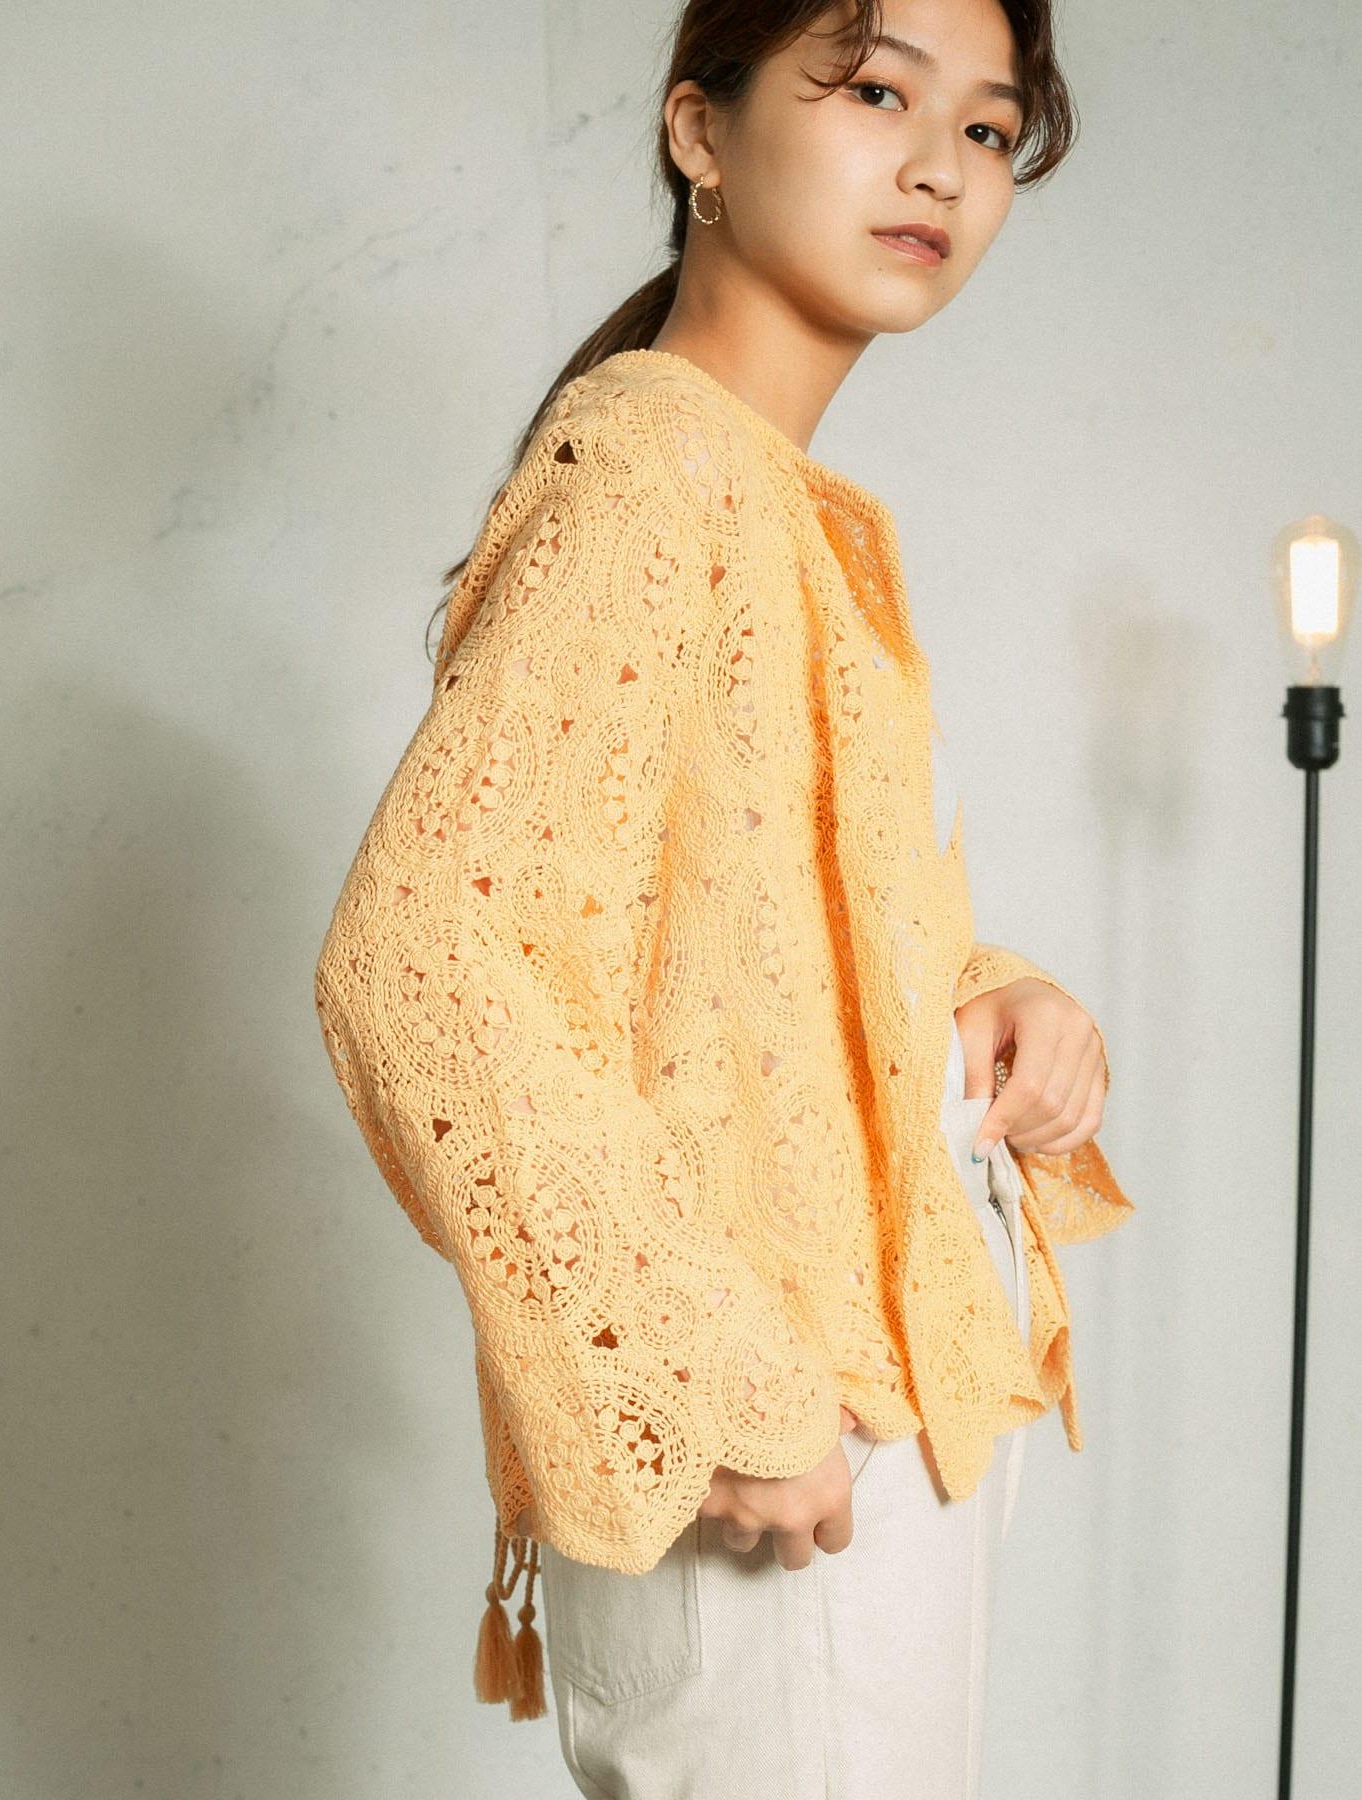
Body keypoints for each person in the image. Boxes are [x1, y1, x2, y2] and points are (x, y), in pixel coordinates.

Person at [313, 1, 1135, 1793]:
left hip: (871, 1399)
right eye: (876, 92)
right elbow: (421, 953)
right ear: (700, 131)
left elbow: (725, 934)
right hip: (787, 1426)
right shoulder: (655, 474)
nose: (939, 168)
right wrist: (708, 1371)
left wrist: (988, 992)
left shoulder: (758, 491)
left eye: (987, 129)